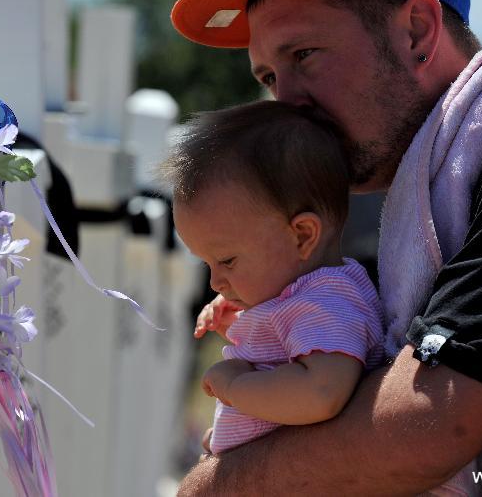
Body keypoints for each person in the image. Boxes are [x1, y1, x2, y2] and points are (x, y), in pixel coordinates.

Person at [169, 0, 482, 495]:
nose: (284, 103)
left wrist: (215, 487)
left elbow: (426, 425)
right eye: (267, 78)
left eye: (303, 55)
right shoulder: (459, 174)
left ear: (417, 32)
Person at [163, 101, 387, 454]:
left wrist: (236, 385)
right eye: (208, 264)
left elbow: (321, 393)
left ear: (302, 236)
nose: (215, 282)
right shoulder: (302, 299)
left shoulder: (327, 302)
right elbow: (287, 357)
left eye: (227, 261)